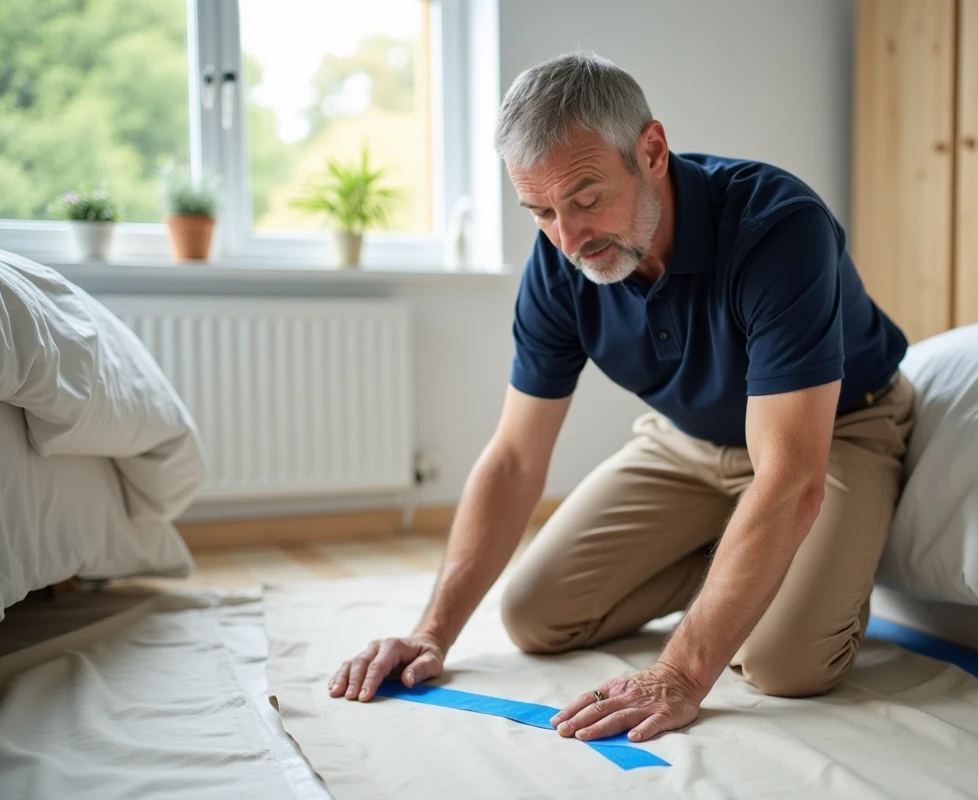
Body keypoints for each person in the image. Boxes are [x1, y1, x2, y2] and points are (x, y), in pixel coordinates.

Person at [329, 53, 912, 745]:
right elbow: (515, 459)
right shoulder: (559, 261)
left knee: (786, 663)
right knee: (536, 616)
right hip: (689, 442)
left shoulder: (779, 228)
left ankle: (767, 568)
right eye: (541, 211)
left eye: (584, 198)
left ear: (652, 151)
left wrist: (681, 675)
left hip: (834, 432)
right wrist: (430, 633)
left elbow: (789, 476)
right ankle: (744, 560)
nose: (569, 239)